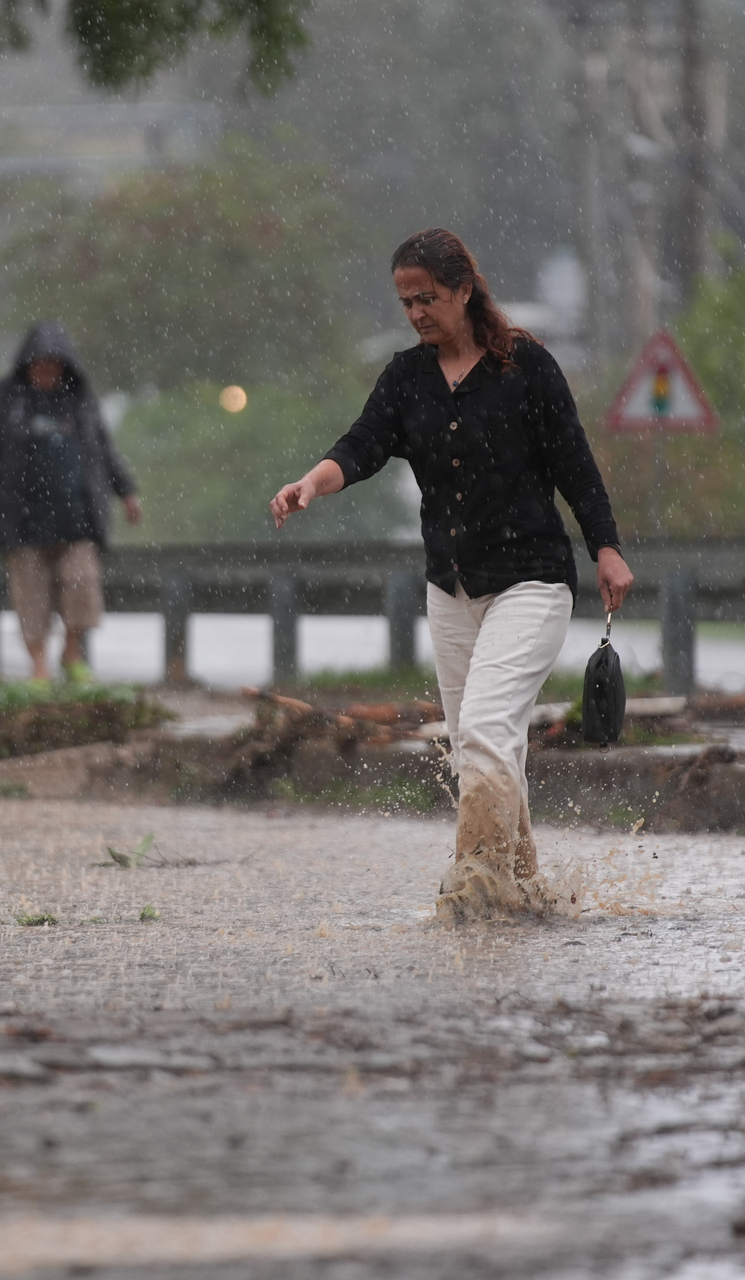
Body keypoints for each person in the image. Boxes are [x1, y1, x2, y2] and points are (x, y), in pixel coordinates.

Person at [269, 228, 634, 922]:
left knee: (488, 729)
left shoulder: (526, 366)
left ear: (464, 290)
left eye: (427, 298)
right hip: (452, 589)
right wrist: (311, 483)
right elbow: (362, 444)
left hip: (531, 580)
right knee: (478, 750)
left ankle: (473, 884)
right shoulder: (407, 378)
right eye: (406, 302)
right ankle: (523, 889)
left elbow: (574, 462)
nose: (416, 313)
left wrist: (606, 547)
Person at [0, 321, 142, 682]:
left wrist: (126, 492)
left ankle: (71, 653)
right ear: (27, 364)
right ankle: (39, 667)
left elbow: (103, 449)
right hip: (21, 520)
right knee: (31, 598)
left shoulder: (80, 399)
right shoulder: (4, 397)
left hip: (77, 519)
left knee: (82, 585)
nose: (46, 371)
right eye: (40, 364)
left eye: (53, 365)